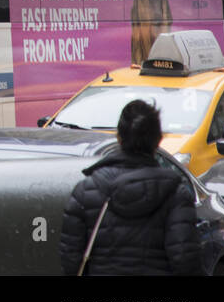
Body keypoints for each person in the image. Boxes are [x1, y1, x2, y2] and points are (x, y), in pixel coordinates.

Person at [58, 100, 200, 275]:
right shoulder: (177, 196)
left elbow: (71, 259)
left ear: (119, 137)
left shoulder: (85, 193)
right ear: (158, 140)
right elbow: (185, 261)